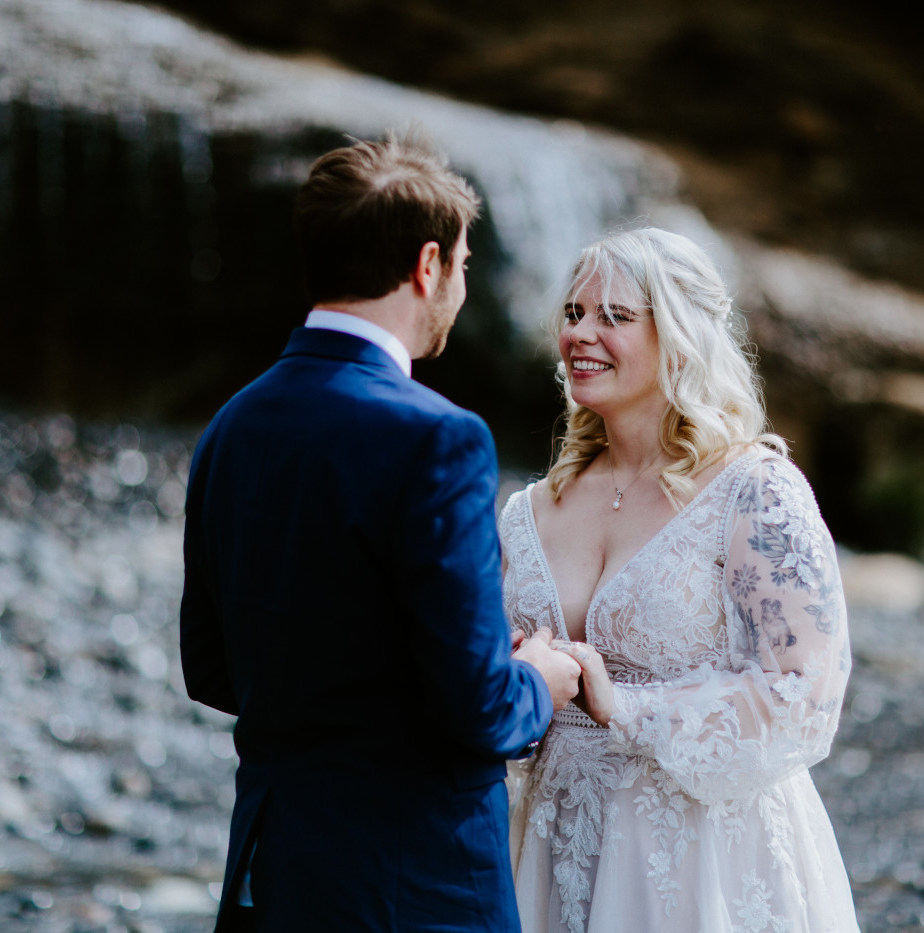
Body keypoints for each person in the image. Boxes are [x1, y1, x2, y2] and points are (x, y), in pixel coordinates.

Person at [180, 134, 582, 933]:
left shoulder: (230, 426)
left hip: (277, 870)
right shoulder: (440, 439)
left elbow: (211, 668)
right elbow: (480, 710)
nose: (461, 289)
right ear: (427, 264)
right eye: (464, 267)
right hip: (415, 885)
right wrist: (539, 676)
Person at [500, 228, 860, 932]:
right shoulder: (527, 510)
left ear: (681, 336)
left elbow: (804, 694)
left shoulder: (754, 491)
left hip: (704, 861)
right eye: (574, 313)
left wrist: (628, 709)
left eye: (615, 316)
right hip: (552, 841)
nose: (582, 333)